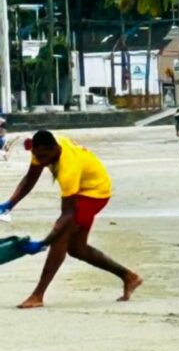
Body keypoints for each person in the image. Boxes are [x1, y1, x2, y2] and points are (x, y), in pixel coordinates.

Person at [0, 131, 142, 308]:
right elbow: (30, 178)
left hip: (95, 193)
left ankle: (38, 295)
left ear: (55, 149)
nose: (41, 161)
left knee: (61, 237)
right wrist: (8, 204)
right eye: (37, 156)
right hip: (84, 190)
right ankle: (129, 277)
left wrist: (43, 243)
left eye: (44, 157)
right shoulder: (42, 148)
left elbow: (67, 214)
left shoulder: (69, 167)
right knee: (77, 249)